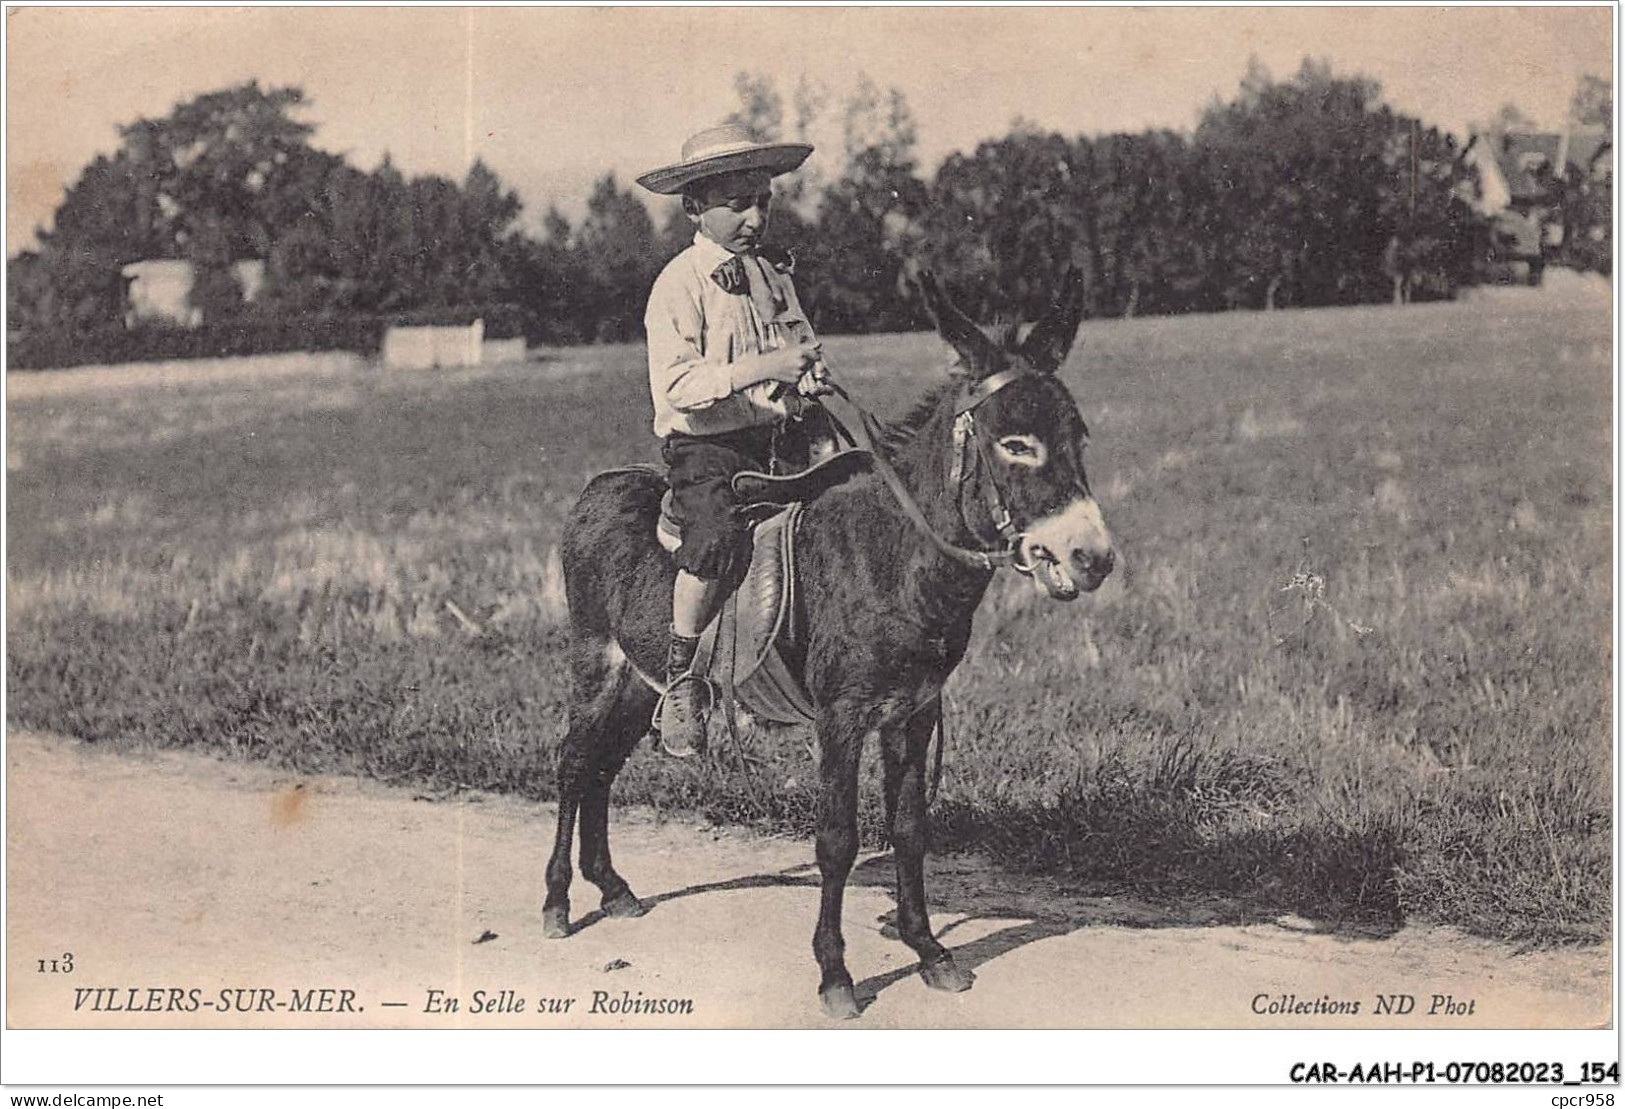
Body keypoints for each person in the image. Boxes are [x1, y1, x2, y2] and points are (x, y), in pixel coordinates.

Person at [636, 123, 829, 757]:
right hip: (707, 450)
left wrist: (807, 376)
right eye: (735, 203)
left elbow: (795, 348)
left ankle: (805, 668)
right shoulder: (679, 285)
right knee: (715, 541)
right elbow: (680, 387)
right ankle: (681, 680)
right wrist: (761, 370)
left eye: (762, 202)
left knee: (847, 509)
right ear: (695, 207)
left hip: (778, 437)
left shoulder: (775, 278)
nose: (753, 217)